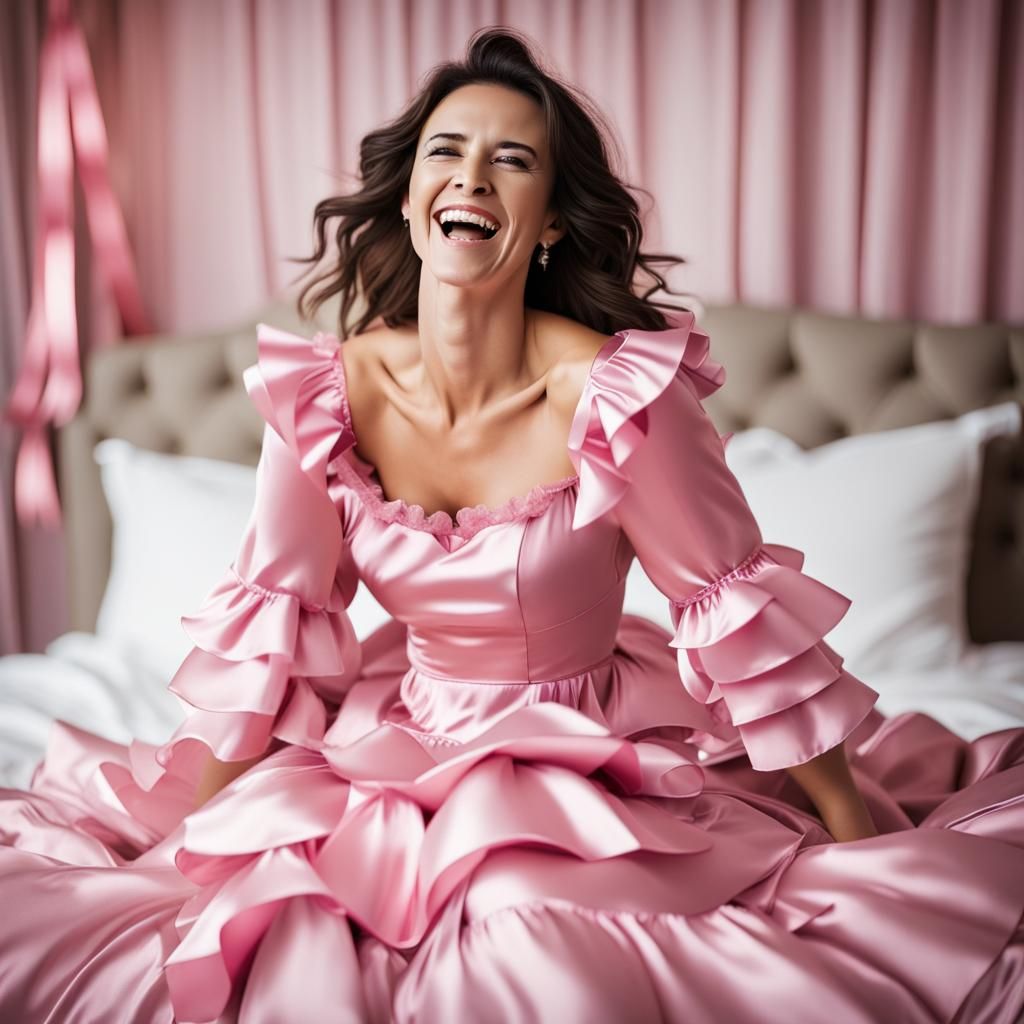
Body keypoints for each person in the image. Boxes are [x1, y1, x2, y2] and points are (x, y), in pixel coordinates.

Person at [2, 26, 1023, 1024]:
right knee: (293, 919)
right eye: (446, 151)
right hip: (403, 740)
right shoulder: (327, 393)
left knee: (514, 927)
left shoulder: (619, 393)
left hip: (589, 750)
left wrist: (853, 839)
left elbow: (731, 612)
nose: (471, 176)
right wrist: (182, 836)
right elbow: (271, 631)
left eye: (512, 160)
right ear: (407, 200)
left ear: (547, 225)